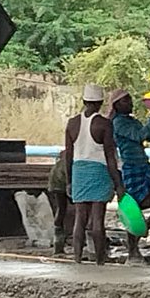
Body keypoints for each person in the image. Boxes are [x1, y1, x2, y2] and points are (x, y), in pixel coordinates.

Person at [64, 85, 124, 265]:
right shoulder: (104, 124)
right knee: (97, 218)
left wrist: (69, 181)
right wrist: (118, 183)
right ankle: (99, 259)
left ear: (84, 101)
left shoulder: (72, 123)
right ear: (100, 103)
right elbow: (110, 156)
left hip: (78, 170)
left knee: (80, 217)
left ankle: (76, 258)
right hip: (99, 171)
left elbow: (68, 154)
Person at [108, 89, 150, 264]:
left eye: (130, 100)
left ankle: (135, 241)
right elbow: (139, 136)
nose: (130, 103)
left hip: (143, 168)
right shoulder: (119, 123)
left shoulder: (130, 121)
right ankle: (133, 248)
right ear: (116, 105)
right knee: (134, 212)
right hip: (132, 169)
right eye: (125, 101)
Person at [47, 149, 71, 256]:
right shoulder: (72, 156)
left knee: (61, 209)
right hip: (61, 181)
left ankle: (58, 244)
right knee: (81, 211)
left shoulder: (63, 157)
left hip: (56, 181)